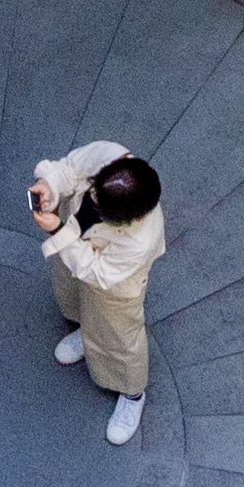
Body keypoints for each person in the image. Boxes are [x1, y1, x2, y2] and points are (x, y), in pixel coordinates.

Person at [31, 140, 167, 447]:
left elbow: (95, 270)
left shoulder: (140, 241)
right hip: (75, 249)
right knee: (70, 291)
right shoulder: (110, 155)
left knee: (119, 336)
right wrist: (49, 185)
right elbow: (70, 168)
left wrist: (58, 231)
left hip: (115, 284)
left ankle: (132, 394)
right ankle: (85, 329)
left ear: (129, 221)